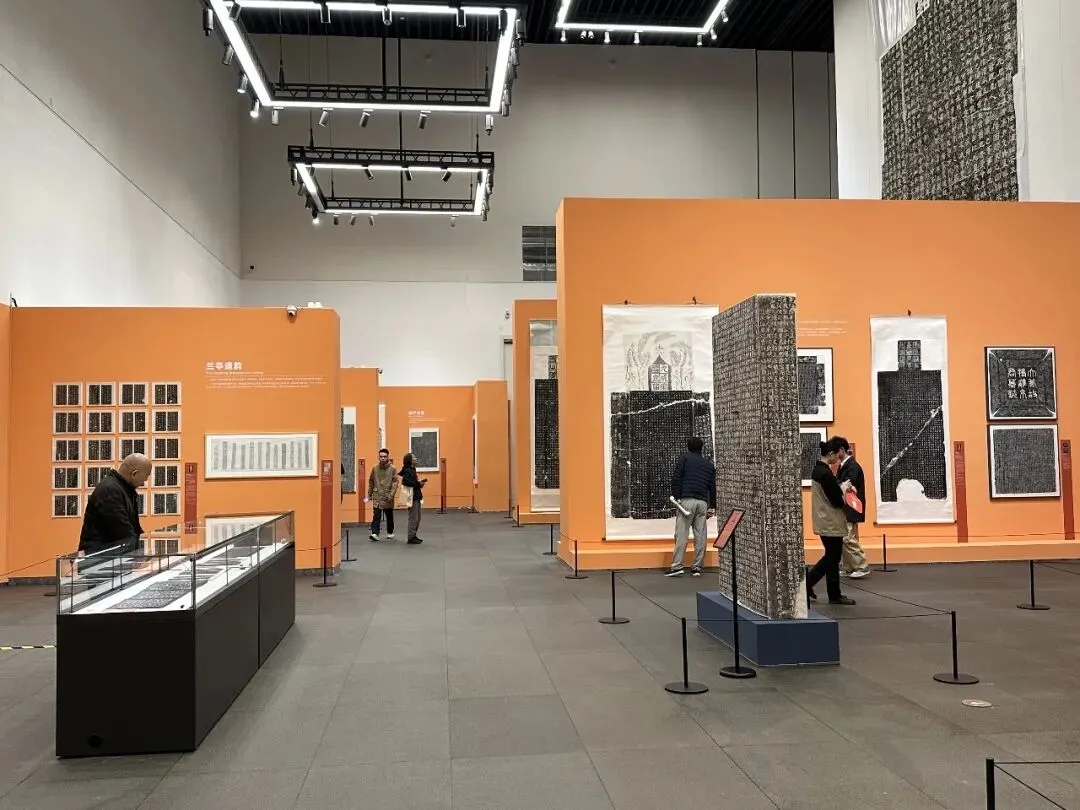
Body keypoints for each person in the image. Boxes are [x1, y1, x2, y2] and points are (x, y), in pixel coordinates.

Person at [806, 438, 856, 605]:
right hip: (831, 521)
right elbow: (837, 500)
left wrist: (840, 487)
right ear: (831, 453)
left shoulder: (818, 470)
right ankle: (809, 584)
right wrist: (845, 489)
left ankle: (832, 593)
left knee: (831, 557)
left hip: (824, 519)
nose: (838, 458)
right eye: (837, 454)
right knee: (832, 558)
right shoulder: (826, 474)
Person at [79, 453, 151, 557]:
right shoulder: (110, 490)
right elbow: (123, 533)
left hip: (110, 558)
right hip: (99, 560)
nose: (146, 480)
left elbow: (134, 530)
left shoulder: (123, 489)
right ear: (134, 474)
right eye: (146, 475)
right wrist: (141, 553)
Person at [665, 436, 716, 577]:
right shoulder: (709, 465)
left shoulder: (685, 458)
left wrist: (676, 496)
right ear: (701, 448)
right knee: (701, 535)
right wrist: (713, 505)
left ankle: (677, 566)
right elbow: (712, 487)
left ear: (688, 447)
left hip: (687, 501)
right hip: (702, 503)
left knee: (681, 534)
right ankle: (697, 567)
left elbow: (677, 477)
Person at [833, 436, 870, 578]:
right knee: (844, 537)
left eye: (835, 451)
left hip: (851, 507)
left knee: (847, 538)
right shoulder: (844, 465)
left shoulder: (852, 466)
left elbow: (848, 485)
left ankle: (862, 566)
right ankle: (849, 567)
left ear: (842, 450)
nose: (834, 455)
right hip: (846, 507)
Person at [366, 448, 399, 542]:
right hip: (377, 495)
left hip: (388, 495)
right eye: (381, 456)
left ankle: (390, 531)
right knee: (376, 515)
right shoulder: (375, 468)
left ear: (388, 457)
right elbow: (371, 481)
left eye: (384, 456)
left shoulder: (392, 468)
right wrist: (369, 493)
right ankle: (375, 533)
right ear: (378, 457)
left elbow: (395, 483)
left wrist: (391, 495)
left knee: (389, 515)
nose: (383, 458)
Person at [398, 453, 427, 545]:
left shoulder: (412, 470)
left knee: (417, 518)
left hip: (416, 496)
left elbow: (412, 482)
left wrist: (418, 483)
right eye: (414, 457)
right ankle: (411, 537)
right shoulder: (408, 470)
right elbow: (407, 482)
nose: (416, 458)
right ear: (410, 460)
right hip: (412, 497)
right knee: (413, 518)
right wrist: (418, 484)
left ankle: (413, 535)